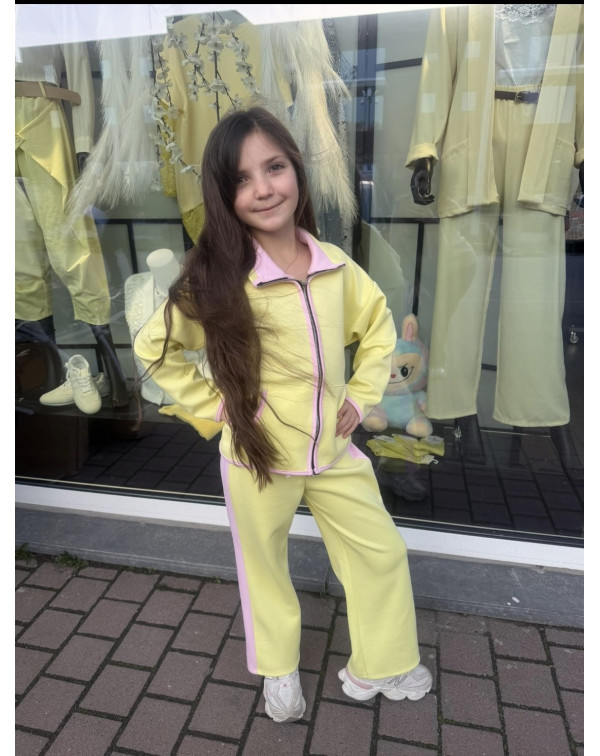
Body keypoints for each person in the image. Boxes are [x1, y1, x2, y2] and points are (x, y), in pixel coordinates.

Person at [134, 106, 432, 723]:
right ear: (224, 194)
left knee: (381, 552)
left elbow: (378, 329)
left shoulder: (334, 265)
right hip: (257, 458)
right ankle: (278, 669)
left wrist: (359, 397)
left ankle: (382, 662)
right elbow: (155, 348)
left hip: (333, 451)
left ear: (296, 170)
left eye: (274, 167)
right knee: (263, 569)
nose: (264, 188)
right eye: (242, 178)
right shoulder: (218, 279)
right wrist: (217, 408)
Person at [406, 4, 584, 467]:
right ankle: (459, 414)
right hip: (472, 128)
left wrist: (588, 151)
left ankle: (540, 416)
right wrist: (426, 148)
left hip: (547, 131)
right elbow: (438, 64)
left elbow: (587, 72)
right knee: (458, 284)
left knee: (537, 292)